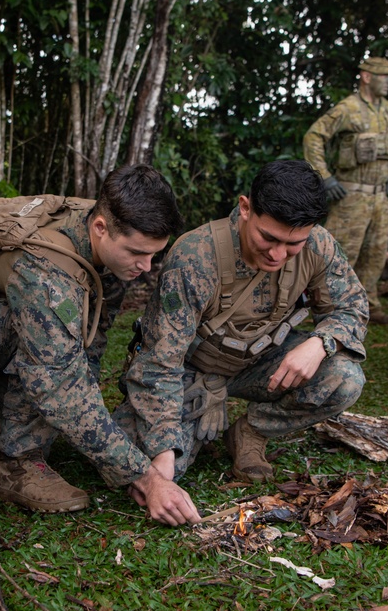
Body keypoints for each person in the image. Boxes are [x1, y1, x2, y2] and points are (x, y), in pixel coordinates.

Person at [0, 164, 202, 527]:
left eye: (154, 255)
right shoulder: (47, 275)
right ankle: (16, 464)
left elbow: (92, 341)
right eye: (136, 253)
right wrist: (145, 478)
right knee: (50, 359)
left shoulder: (107, 241)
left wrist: (97, 430)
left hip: (6, 337)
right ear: (100, 228)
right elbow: (60, 384)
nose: (146, 267)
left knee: (66, 368)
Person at [115, 160, 368, 484]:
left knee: (344, 378)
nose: (278, 254)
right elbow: (159, 362)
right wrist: (163, 452)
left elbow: (352, 307)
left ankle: (250, 432)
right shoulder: (196, 256)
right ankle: (198, 406)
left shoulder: (318, 246)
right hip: (190, 368)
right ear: (245, 208)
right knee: (137, 472)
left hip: (261, 362)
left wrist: (320, 343)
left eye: (293, 245)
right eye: (268, 238)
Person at [303, 56, 388, 326]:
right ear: (367, 76)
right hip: (352, 197)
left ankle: (368, 304)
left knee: (376, 252)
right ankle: (328, 307)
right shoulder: (349, 108)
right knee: (340, 252)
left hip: (380, 196)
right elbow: (314, 135)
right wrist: (324, 177)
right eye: (384, 75)